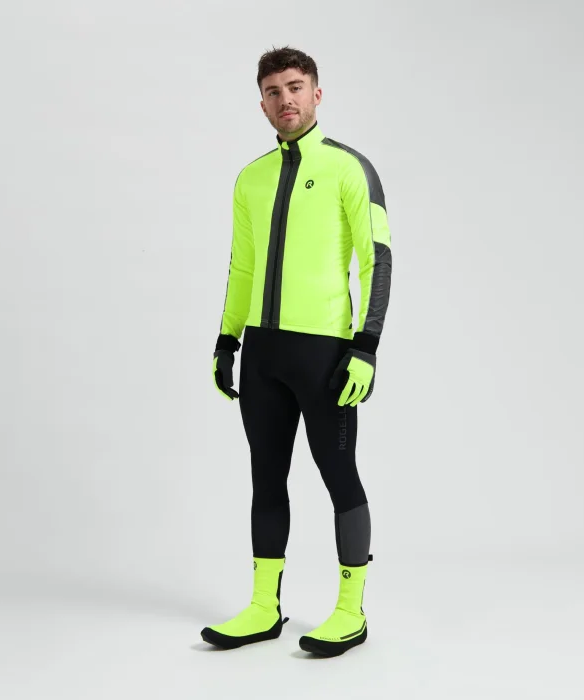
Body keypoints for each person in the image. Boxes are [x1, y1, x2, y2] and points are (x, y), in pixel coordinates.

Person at [200, 46, 392, 658]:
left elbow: (377, 260)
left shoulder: (348, 168)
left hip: (326, 353)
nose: (286, 99)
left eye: (296, 86)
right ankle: (264, 606)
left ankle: (350, 611)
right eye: (273, 91)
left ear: (316, 93)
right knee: (266, 477)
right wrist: (227, 338)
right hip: (263, 354)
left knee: (339, 474)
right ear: (261, 103)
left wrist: (366, 346)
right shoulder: (250, 178)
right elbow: (242, 266)